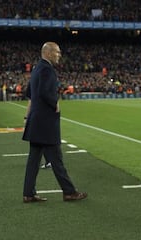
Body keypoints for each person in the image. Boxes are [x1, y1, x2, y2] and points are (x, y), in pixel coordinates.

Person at [22, 42, 87, 203]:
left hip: (36, 120)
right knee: (56, 159)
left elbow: (29, 92)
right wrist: (54, 103)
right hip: (45, 122)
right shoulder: (47, 69)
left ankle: (28, 193)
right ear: (49, 53)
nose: (59, 55)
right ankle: (69, 192)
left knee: (34, 160)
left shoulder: (37, 68)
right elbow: (45, 91)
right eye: (57, 52)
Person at [24, 82, 51, 169]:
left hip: (37, 115)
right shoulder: (48, 81)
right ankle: (49, 160)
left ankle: (45, 161)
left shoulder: (33, 82)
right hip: (47, 114)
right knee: (44, 138)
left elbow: (30, 101)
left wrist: (26, 117)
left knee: (38, 139)